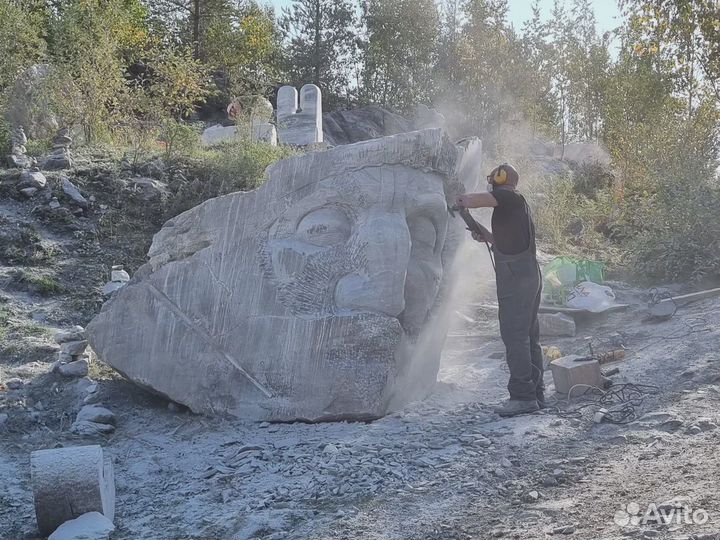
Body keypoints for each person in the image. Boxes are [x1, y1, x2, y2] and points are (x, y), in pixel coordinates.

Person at [455, 163, 544, 417]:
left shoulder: (507, 196)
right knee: (528, 336)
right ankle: (536, 393)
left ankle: (522, 397)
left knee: (514, 336)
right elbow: (503, 241)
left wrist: (460, 198)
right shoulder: (516, 204)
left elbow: (476, 200)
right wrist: (485, 234)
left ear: (499, 178)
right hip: (527, 273)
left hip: (516, 277)